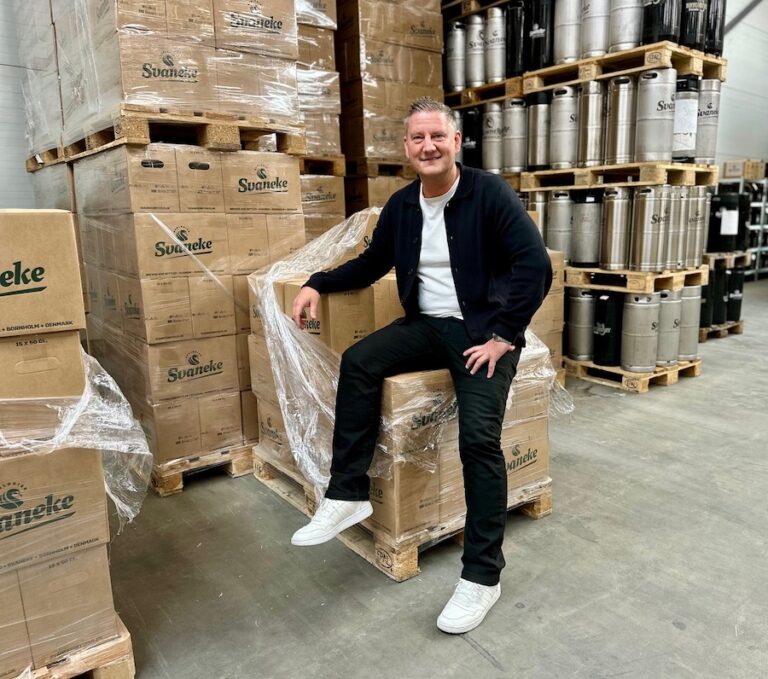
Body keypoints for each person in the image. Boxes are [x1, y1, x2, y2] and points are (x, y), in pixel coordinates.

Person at [289, 97, 552, 634]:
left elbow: (535, 265)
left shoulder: (489, 194)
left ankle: (482, 576)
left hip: (482, 334)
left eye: (437, 136)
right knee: (359, 361)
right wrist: (317, 282)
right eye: (417, 138)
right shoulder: (404, 205)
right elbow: (372, 263)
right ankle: (347, 494)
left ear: (456, 142)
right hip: (427, 326)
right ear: (407, 148)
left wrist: (504, 337)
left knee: (478, 440)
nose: (427, 146)